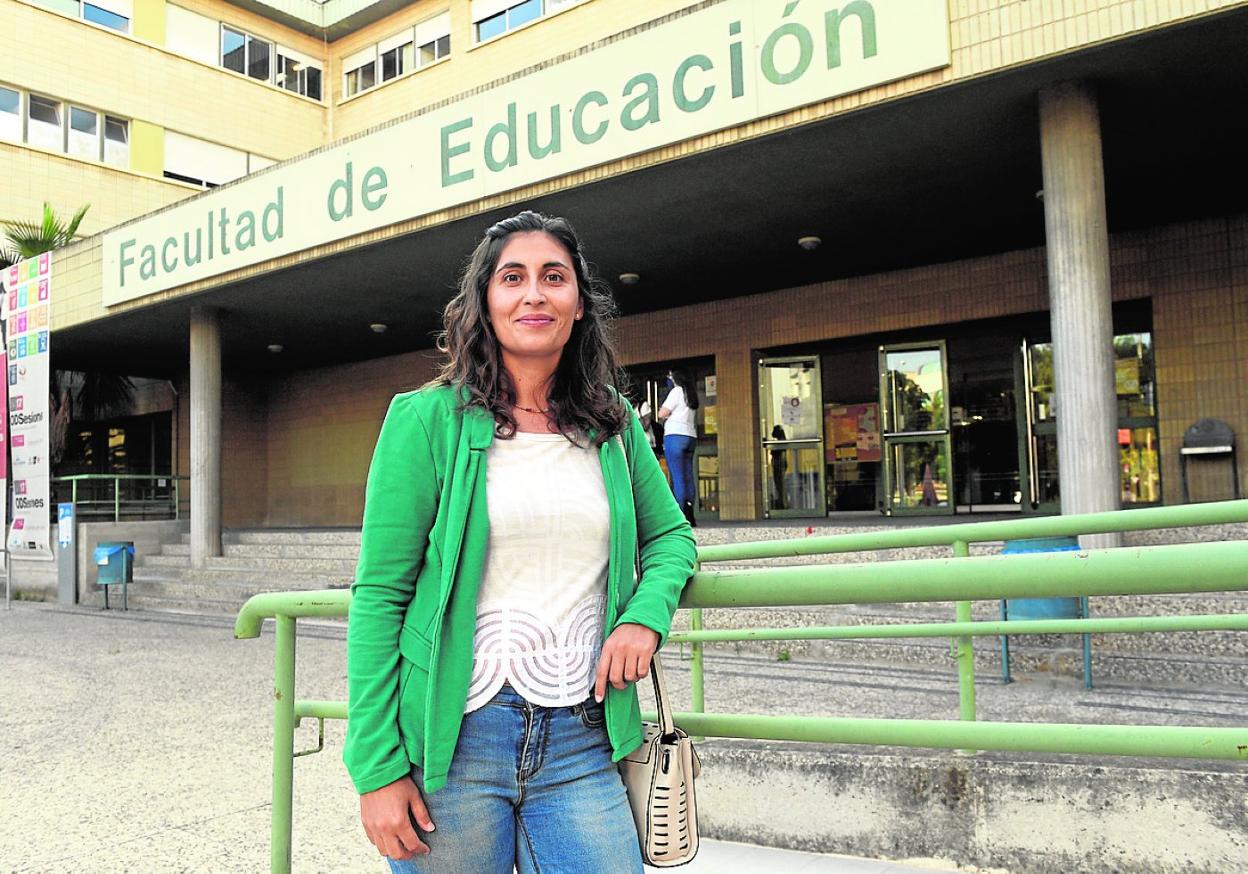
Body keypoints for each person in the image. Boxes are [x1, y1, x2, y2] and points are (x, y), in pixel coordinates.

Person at [343, 210, 697, 874]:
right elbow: (380, 597)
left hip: (583, 739)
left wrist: (644, 617)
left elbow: (672, 536)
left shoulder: (613, 424)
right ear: (484, 301)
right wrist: (376, 768)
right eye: (512, 278)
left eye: (553, 277)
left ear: (579, 305)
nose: (534, 294)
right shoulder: (426, 420)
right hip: (452, 746)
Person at [657, 369, 699, 527]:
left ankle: (680, 516)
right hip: (690, 436)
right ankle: (690, 512)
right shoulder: (691, 394)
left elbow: (662, 413)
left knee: (678, 477)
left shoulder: (676, 391)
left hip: (675, 435)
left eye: (671, 376)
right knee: (688, 476)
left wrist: (667, 414)